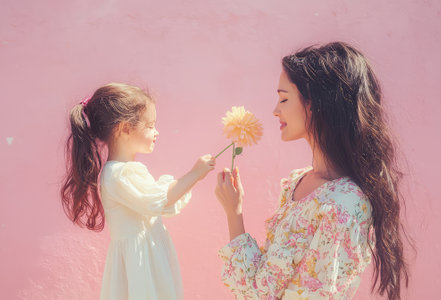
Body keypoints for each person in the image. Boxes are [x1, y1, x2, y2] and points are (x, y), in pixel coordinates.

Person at [215, 42, 409, 299]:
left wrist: (234, 214)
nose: (275, 110)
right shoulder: (297, 182)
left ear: (316, 104)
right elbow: (262, 288)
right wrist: (234, 212)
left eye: (284, 98)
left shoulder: (344, 205)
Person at [60, 83, 215, 300]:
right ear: (125, 128)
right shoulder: (119, 174)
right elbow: (158, 201)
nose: (156, 131)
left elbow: (163, 203)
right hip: (139, 267)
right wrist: (194, 174)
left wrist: (194, 178)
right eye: (150, 125)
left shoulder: (126, 172)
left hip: (147, 260)